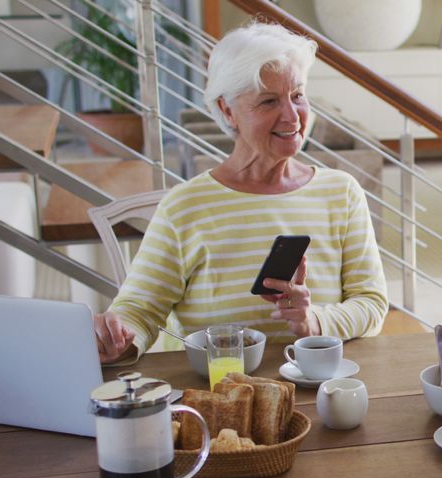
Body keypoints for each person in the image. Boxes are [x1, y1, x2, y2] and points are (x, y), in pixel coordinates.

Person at [95, 22, 388, 363]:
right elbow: (138, 310)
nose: (292, 116)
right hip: (217, 390)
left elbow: (371, 303)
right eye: (268, 101)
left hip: (318, 385)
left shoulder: (341, 193)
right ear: (226, 110)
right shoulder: (185, 206)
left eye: (297, 96)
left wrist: (313, 322)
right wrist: (117, 336)